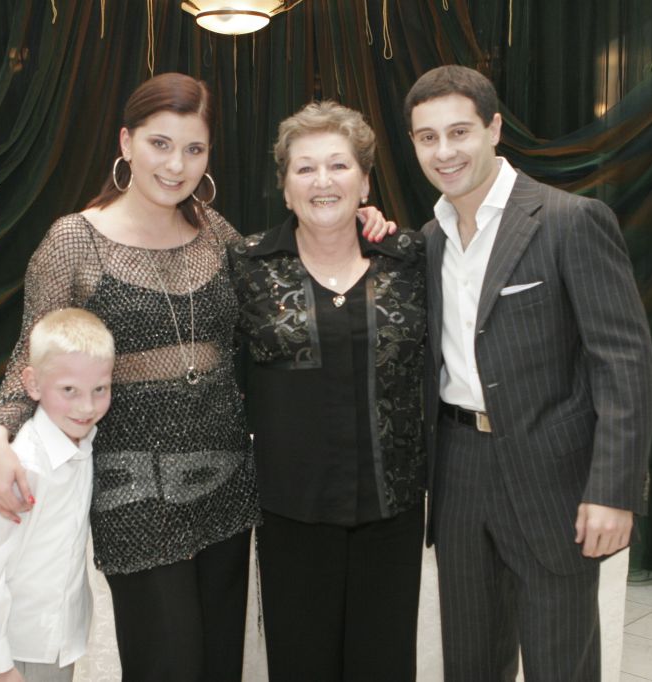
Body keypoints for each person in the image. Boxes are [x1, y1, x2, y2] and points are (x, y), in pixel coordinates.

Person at [0, 72, 393, 682]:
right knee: (167, 664)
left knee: (220, 663)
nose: (176, 165)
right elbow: (29, 356)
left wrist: (355, 221)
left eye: (194, 149)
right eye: (160, 144)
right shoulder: (75, 240)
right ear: (126, 143)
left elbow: (287, 290)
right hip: (133, 489)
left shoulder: (216, 233)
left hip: (226, 481)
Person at [407, 65, 652, 681]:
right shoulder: (428, 240)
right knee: (470, 662)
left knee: (560, 663)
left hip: (553, 477)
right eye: (427, 137)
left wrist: (613, 489)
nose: (444, 151)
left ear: (494, 129)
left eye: (459, 132)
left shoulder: (570, 220)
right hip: (459, 470)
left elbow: (623, 362)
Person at [228, 101, 427, 682]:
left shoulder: (411, 259)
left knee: (385, 667)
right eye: (305, 168)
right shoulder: (246, 264)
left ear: (364, 182)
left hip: (392, 511)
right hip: (291, 513)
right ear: (285, 187)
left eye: (339, 166)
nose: (322, 181)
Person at [0, 308, 115, 682]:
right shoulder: (19, 467)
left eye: (100, 390)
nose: (86, 407)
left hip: (52, 644)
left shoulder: (86, 444)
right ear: (33, 384)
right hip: (2, 649)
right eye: (69, 390)